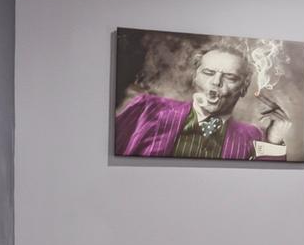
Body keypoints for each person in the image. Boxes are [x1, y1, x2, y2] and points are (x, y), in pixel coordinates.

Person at [114, 39, 286, 159]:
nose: (216, 82)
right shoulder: (148, 109)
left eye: (230, 77)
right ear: (195, 77)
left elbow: (264, 184)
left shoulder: (253, 137)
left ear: (244, 88)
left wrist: (274, 141)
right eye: (208, 73)